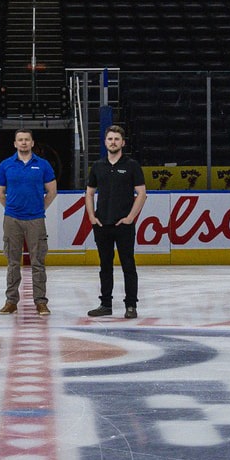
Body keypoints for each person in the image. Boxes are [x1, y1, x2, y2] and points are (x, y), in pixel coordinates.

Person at [84, 124, 147, 319]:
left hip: (124, 225)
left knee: (128, 264)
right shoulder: (98, 166)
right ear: (105, 142)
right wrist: (92, 217)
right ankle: (105, 304)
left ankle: (130, 305)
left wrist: (130, 218)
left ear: (123, 142)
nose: (113, 142)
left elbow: (142, 193)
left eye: (117, 139)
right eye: (110, 139)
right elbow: (89, 193)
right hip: (102, 224)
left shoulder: (132, 166)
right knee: (105, 265)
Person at [0, 129, 57, 316]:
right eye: (20, 140)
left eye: (27, 140)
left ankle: (41, 302)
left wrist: (39, 208)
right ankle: (11, 301)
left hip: (36, 219)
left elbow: (52, 191)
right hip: (12, 219)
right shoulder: (5, 165)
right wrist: (12, 208)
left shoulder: (43, 165)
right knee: (13, 263)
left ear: (32, 143)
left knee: (38, 262)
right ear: (15, 144)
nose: (24, 143)